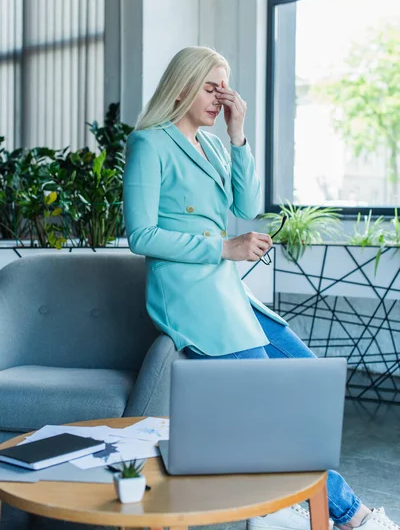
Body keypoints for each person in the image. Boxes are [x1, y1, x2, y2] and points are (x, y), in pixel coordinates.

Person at [123, 46, 398, 530]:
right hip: (191, 298)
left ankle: (284, 502)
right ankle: (350, 516)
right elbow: (141, 236)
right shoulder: (151, 143)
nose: (220, 97)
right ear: (182, 86)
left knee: (306, 382)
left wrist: (236, 134)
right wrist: (224, 248)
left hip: (230, 295)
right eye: (211, 87)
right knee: (275, 410)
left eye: (225, 88)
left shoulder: (211, 145)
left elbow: (247, 206)